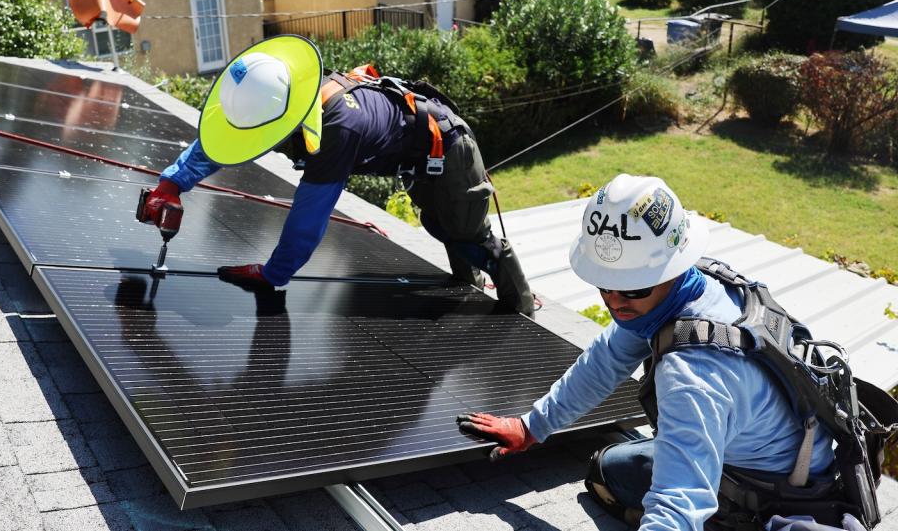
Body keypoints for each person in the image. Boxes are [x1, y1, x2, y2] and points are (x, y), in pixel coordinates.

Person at [456, 173, 838, 529]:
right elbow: (605, 360)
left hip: (776, 489)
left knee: (629, 481)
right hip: (773, 450)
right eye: (604, 285)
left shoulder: (693, 376)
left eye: (632, 287)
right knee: (608, 468)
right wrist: (531, 427)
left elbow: (677, 506)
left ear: (670, 269)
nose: (615, 301)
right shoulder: (688, 287)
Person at [138, 34, 535, 316]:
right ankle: (468, 287)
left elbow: (308, 219)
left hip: (448, 150)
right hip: (420, 155)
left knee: (468, 235)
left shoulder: (336, 131)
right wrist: (172, 184)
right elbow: (221, 141)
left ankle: (522, 313)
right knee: (439, 224)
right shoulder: (291, 93)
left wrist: (272, 273)